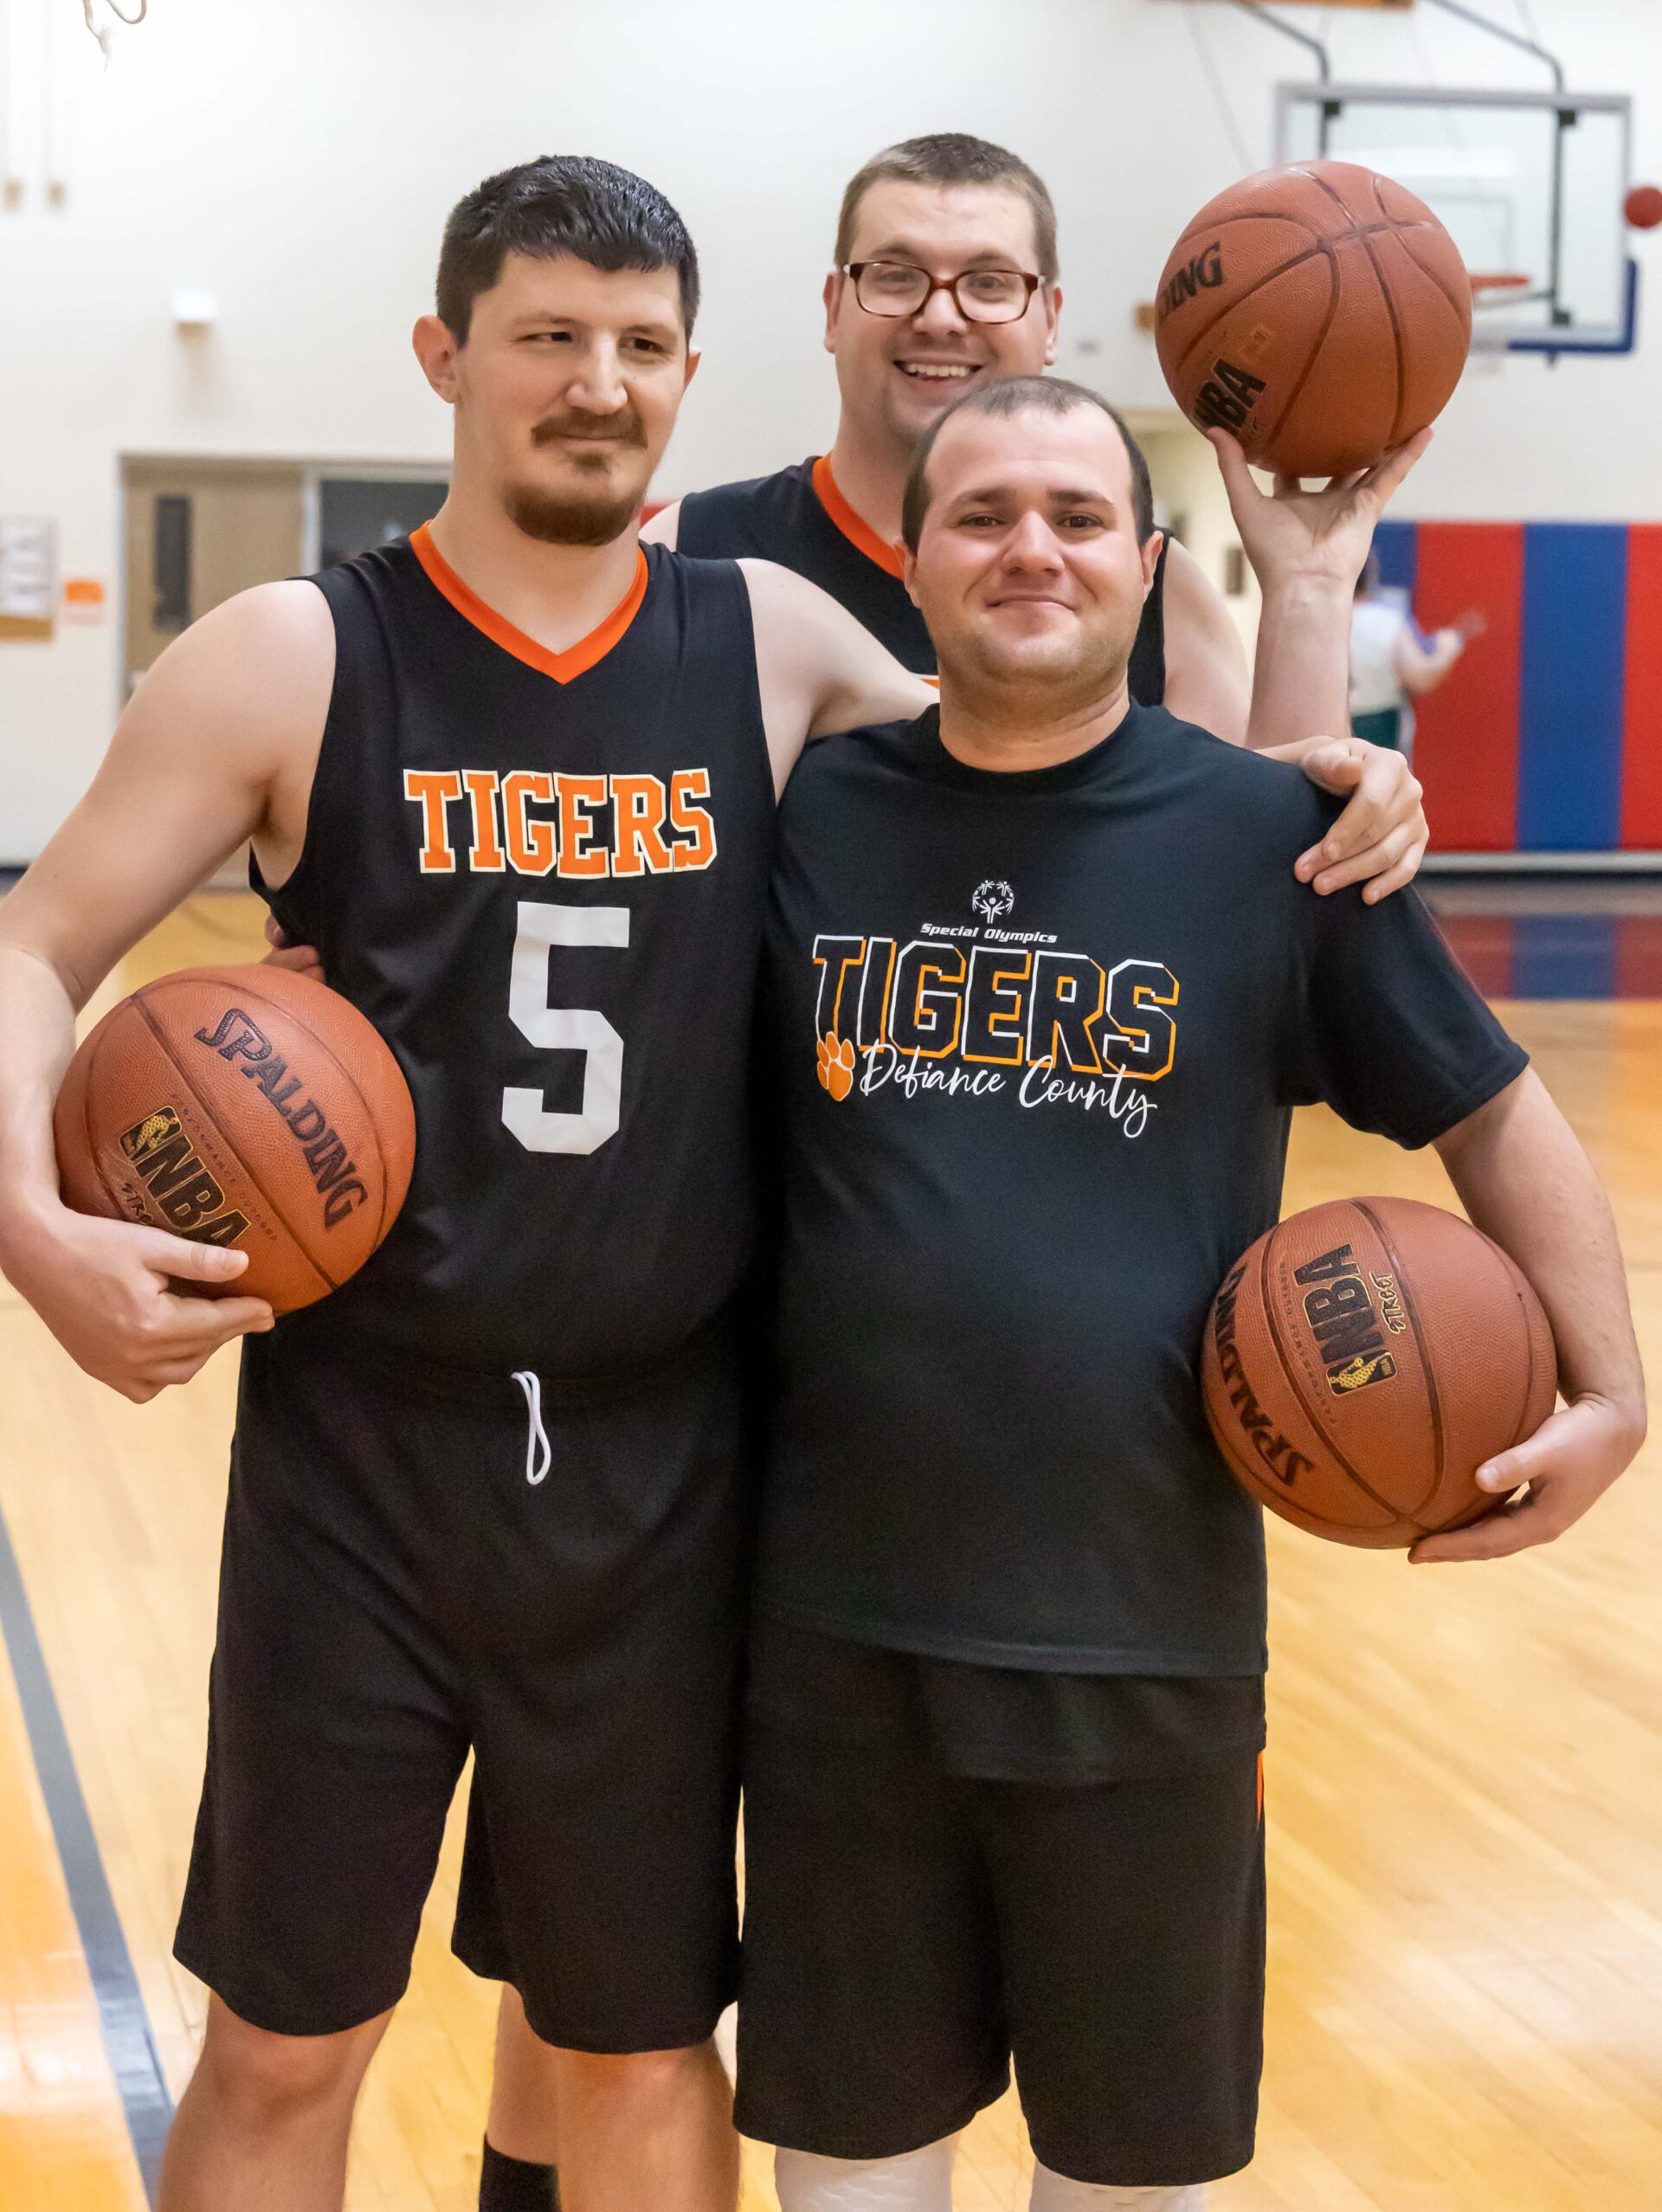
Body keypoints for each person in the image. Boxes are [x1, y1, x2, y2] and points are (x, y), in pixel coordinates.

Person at [0, 154, 1420, 2212]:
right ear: (444, 356)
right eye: (545, 337)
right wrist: (35, 1234)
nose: (594, 381)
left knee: (641, 2040)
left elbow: (1125, 792)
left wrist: (1321, 703)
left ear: (689, 374)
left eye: (639, 345)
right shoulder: (293, 653)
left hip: (663, 1465)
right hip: (363, 1457)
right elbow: (34, 943)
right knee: (289, 2035)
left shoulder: (765, 642)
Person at [732, 376, 1646, 2212]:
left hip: (1141, 1638)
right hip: (841, 1631)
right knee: (846, 2174)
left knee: (1134, 2183)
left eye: (1078, 515)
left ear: (1148, 568)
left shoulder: (1269, 833)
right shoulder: (808, 809)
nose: (1032, 549)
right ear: (907, 563)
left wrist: (1618, 1388)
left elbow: (1490, 1102)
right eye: (982, 513)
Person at [647, 131, 1361, 758]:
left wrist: (1311, 591)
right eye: (896, 276)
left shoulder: (1149, 585)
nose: (940, 315)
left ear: (1050, 321)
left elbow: (1269, 859)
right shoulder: (697, 547)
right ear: (834, 309)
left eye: (990, 283)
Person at [1350, 551, 1483, 757]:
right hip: (1378, 725)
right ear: (1371, 576)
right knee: (1382, 783)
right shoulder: (1386, 621)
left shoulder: (1315, 621)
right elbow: (1421, 676)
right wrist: (1448, 649)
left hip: (1325, 725)